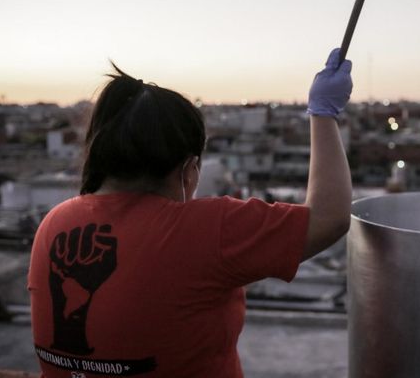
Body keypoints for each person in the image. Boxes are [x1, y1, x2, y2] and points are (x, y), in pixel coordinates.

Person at [28, 49, 353, 377]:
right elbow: (330, 218)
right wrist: (322, 114)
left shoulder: (53, 224)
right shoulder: (205, 229)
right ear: (188, 169)